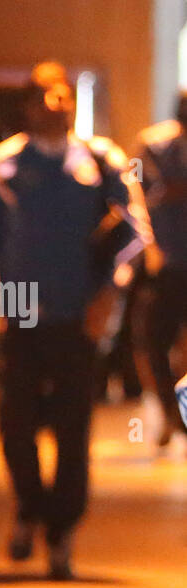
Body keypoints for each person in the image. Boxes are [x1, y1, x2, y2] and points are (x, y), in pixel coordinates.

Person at [0, 61, 152, 579]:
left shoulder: (100, 160)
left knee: (74, 429)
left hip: (79, 318)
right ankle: (30, 506)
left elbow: (136, 233)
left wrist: (108, 296)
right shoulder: (2, 166)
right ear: (28, 105)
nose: (60, 102)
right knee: (17, 424)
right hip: (21, 315)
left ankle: (61, 532)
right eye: (48, 95)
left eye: (65, 94)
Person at [134, 96, 187, 454]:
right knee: (154, 342)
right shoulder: (156, 144)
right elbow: (138, 190)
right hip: (168, 264)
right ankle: (171, 412)